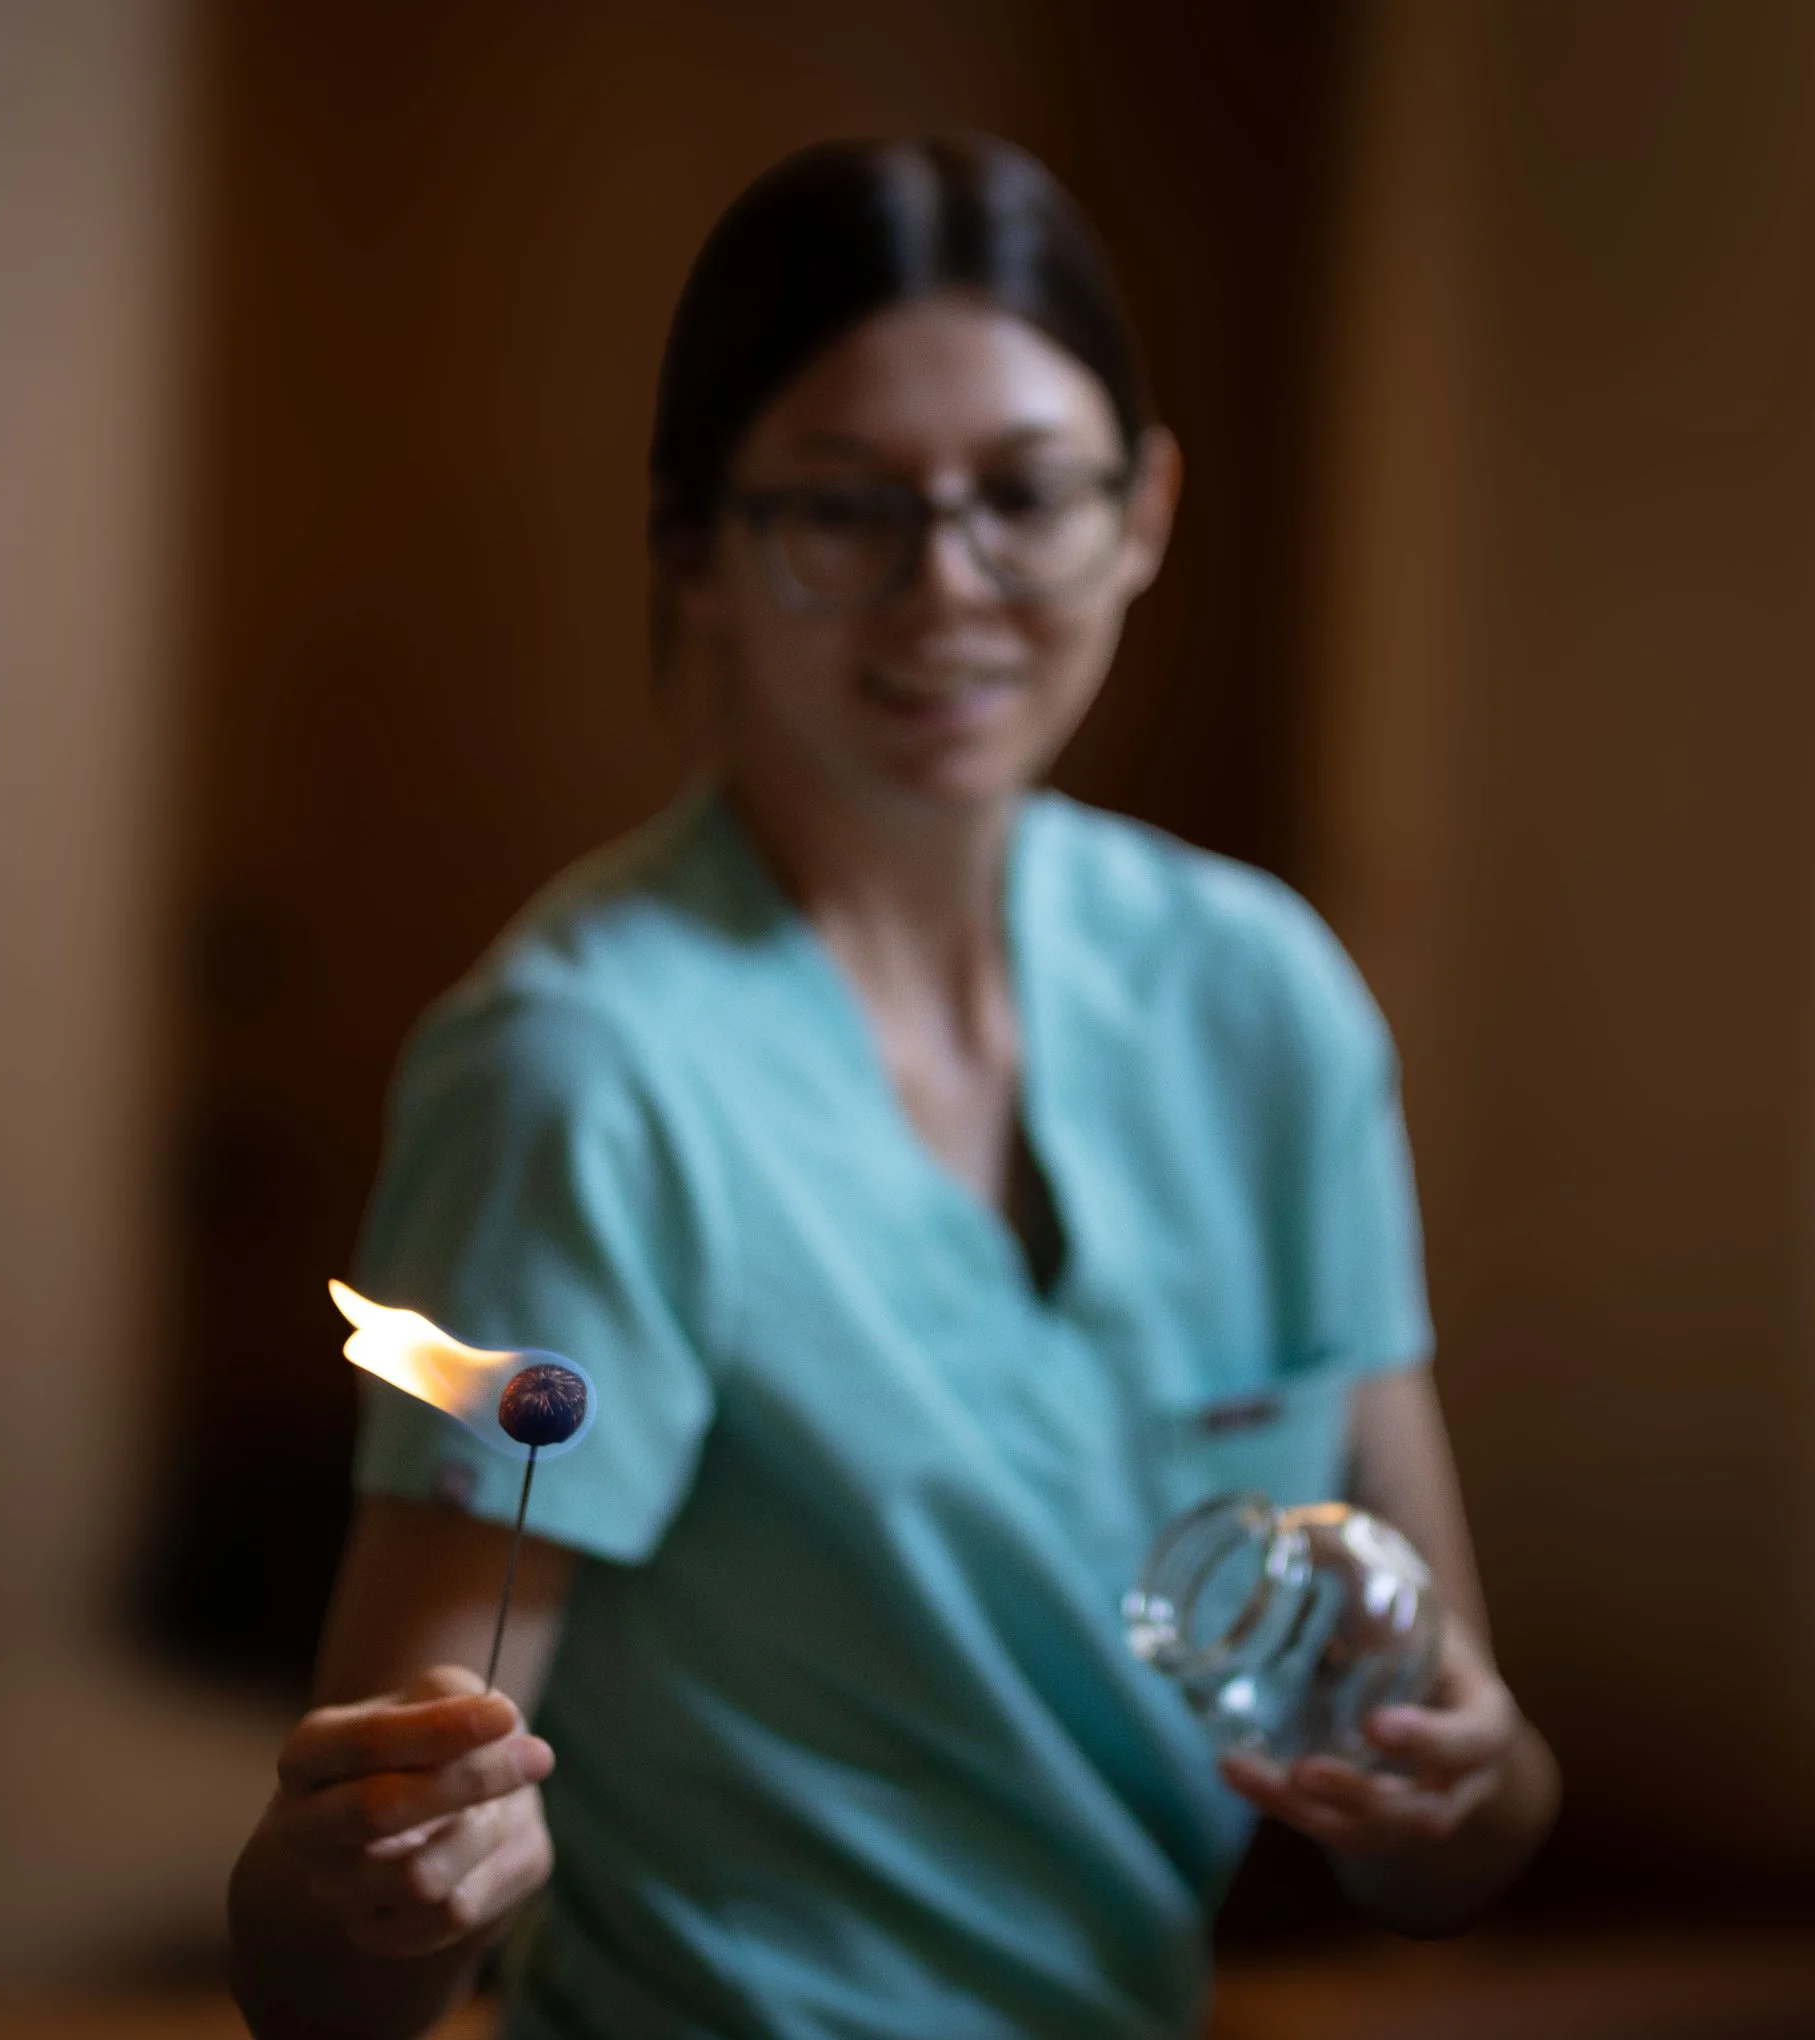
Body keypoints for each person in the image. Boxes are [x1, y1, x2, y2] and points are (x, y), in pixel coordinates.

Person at [228, 134, 1559, 2040]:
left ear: (1144, 510)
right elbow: (333, 1981)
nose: (948, 588)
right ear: (695, 545)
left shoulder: (1263, 1005)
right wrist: (386, 1873)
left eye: (1025, 494)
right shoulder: (583, 1075)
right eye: (843, 511)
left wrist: (1468, 1787)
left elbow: (1452, 1841)